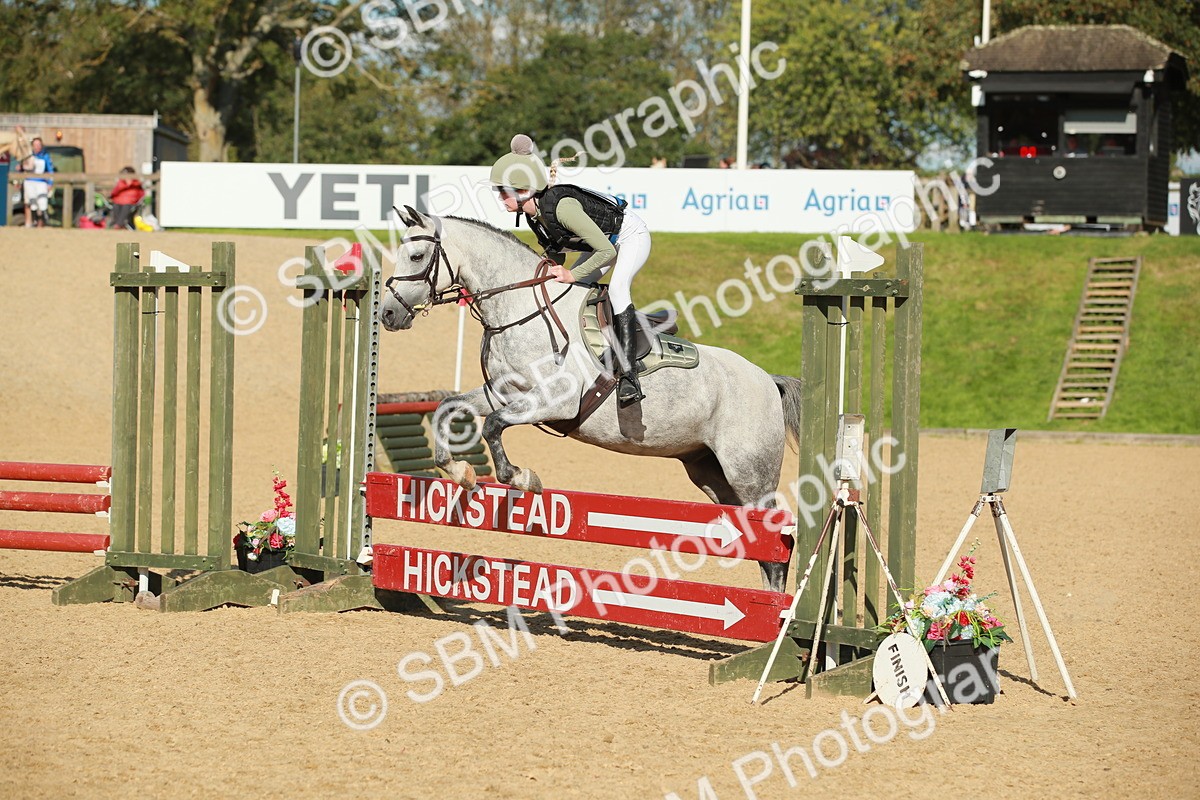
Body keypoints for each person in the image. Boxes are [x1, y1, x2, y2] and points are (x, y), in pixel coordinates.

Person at [490, 133, 651, 407]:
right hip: (602, 244)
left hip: (629, 236)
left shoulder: (562, 208)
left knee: (618, 289)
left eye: (504, 191)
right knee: (565, 291)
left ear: (524, 191)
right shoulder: (534, 217)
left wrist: (572, 274)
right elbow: (555, 255)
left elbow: (607, 251)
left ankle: (629, 377)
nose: (500, 198)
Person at [20, 135, 53, 227]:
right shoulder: (28, 156)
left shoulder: (45, 156)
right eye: (35, 144)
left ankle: (41, 224)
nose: (37, 146)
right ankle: (32, 222)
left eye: (39, 144)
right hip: (30, 182)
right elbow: (22, 168)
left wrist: (50, 183)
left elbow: (50, 170)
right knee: (32, 203)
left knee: (42, 204)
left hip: (41, 182)